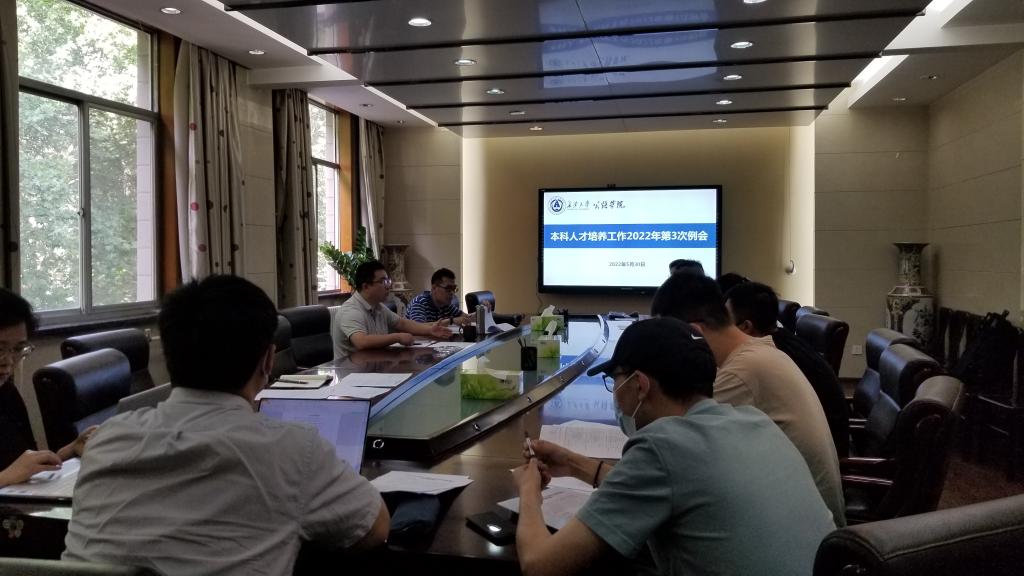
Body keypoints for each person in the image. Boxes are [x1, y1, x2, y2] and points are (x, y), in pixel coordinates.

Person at [63, 275, 389, 576]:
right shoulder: (292, 449)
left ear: (169, 354)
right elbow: (374, 529)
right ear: (268, 360)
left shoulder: (107, 439)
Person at [512, 317, 835, 576]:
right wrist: (572, 463)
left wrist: (529, 490)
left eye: (615, 380)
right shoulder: (755, 422)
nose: (615, 394)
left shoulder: (661, 446)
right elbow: (668, 485)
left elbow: (540, 565)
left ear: (639, 385)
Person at [650, 273, 846, 526]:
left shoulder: (742, 372)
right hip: (801, 512)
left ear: (694, 332)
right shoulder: (759, 351)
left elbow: (671, 436)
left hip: (805, 528)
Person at [725, 281, 850, 456]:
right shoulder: (782, 339)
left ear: (746, 327)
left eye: (725, 322)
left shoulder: (766, 356)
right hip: (825, 442)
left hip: (821, 454)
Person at [0, 289, 94, 487]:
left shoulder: (7, 393)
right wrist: (5, 477)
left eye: (17, 349)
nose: (8, 361)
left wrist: (68, 452)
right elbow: (13, 472)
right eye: (0, 349)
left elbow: (25, 462)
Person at [332, 260, 451, 359]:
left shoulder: (378, 307)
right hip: (351, 373)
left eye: (388, 281)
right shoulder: (351, 311)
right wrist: (397, 337)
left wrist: (429, 330)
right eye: (383, 281)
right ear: (366, 286)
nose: (388, 286)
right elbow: (361, 341)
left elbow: (402, 323)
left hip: (374, 366)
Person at [404, 267, 471, 326]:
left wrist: (477, 312)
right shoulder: (419, 303)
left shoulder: (445, 305)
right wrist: (451, 321)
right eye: (448, 288)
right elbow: (418, 327)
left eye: (453, 289)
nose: (452, 293)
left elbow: (466, 318)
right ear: (434, 288)